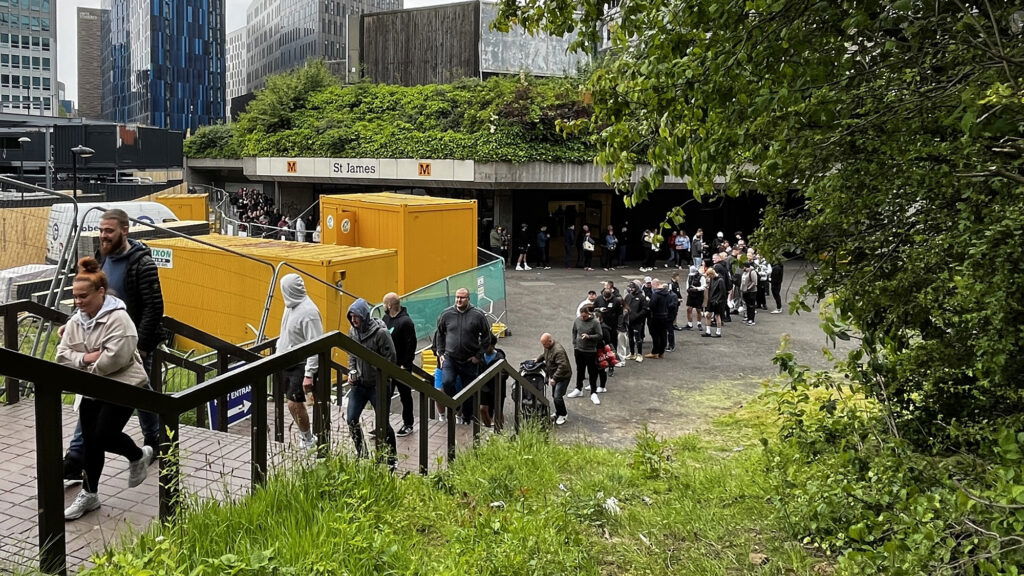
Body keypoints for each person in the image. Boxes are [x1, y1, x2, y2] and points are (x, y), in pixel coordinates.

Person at [63, 209, 164, 487]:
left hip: (133, 344)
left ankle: (151, 440)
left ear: (125, 230)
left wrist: (141, 347)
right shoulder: (101, 257)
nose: (103, 235)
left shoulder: (142, 263)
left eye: (109, 230)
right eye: (101, 230)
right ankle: (76, 456)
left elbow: (154, 307)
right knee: (128, 394)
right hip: (104, 343)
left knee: (137, 392)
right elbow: (92, 298)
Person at [57, 257, 154, 520]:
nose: (78, 302)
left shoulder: (119, 319)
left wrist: (83, 361)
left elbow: (116, 359)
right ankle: (90, 494)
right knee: (90, 443)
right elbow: (62, 354)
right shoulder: (78, 319)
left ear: (100, 292)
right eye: (74, 297)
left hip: (123, 386)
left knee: (103, 435)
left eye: (83, 296)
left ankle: (138, 455)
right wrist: (88, 358)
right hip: (91, 387)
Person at [345, 298, 398, 469]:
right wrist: (352, 371)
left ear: (364, 316)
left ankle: (391, 458)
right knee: (352, 418)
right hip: (359, 384)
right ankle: (362, 452)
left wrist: (381, 376)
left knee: (382, 422)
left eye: (357, 316)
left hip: (378, 385)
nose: (354, 320)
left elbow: (391, 358)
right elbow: (352, 354)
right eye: (351, 316)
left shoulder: (381, 333)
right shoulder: (353, 332)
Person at [277, 274, 324, 450]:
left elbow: (316, 344)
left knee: (293, 403)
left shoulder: (309, 312)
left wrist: (309, 374)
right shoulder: (289, 306)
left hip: (300, 364)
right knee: (290, 402)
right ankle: (307, 436)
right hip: (286, 361)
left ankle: (308, 438)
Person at [436, 287, 493, 424]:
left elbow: (487, 337)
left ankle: (467, 419)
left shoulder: (477, 315)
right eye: (457, 297)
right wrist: (441, 353)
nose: (459, 300)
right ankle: (456, 406)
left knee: (469, 392)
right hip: (450, 358)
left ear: (468, 299)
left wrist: (478, 356)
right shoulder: (446, 314)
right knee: (447, 382)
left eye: (462, 297)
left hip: (469, 360)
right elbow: (439, 334)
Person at [382, 292, 416, 437]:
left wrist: (406, 365)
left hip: (401, 366)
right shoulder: (386, 319)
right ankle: (382, 424)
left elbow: (411, 344)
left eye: (384, 303)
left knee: (405, 395)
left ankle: (408, 423)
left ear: (389, 305)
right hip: (389, 366)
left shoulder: (405, 322)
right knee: (384, 396)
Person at [567, 305, 603, 405]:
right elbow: (574, 331)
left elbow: (600, 335)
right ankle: (578, 388)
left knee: (592, 371)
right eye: (582, 316)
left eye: (585, 316)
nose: (583, 318)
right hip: (579, 349)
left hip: (590, 350)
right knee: (580, 369)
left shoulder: (595, 322)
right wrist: (574, 343)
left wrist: (589, 336)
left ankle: (593, 392)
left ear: (589, 314)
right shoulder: (577, 320)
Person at [537, 333, 572, 426]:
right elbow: (545, 355)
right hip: (555, 375)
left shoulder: (558, 351)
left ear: (549, 341)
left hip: (563, 376)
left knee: (557, 396)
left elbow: (563, 366)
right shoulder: (548, 347)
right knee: (554, 395)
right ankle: (558, 412)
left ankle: (563, 414)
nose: (544, 346)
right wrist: (537, 360)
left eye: (544, 344)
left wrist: (554, 378)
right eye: (543, 344)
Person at [479, 333, 507, 428]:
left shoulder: (500, 357)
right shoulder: (480, 356)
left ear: (492, 345)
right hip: (483, 388)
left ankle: (499, 429)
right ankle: (488, 428)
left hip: (497, 388)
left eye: (487, 345)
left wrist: (491, 377)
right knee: (482, 408)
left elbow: (505, 374)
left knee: (498, 410)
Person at [623, 280, 649, 361]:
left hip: (637, 322)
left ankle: (640, 354)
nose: (631, 289)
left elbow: (645, 309)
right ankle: (632, 353)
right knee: (630, 338)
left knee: (638, 339)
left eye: (633, 288)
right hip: (629, 321)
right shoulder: (628, 296)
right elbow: (624, 306)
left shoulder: (641, 297)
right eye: (630, 288)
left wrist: (637, 316)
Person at [645, 280, 670, 359]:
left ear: (655, 285)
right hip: (665, 315)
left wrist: (648, 304)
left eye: (652, 285)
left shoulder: (656, 294)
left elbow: (652, 305)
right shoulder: (667, 293)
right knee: (663, 334)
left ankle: (655, 352)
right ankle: (661, 352)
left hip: (656, 317)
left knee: (655, 335)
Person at [703, 268, 726, 338]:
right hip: (712, 300)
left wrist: (717, 300)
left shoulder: (720, 280)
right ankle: (708, 331)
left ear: (712, 274)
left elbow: (722, 292)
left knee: (717, 316)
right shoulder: (713, 279)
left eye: (709, 276)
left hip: (717, 301)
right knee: (708, 315)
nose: (709, 278)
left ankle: (718, 332)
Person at [684, 264, 707, 330]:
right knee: (689, 309)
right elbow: (687, 283)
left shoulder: (701, 277)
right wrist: (688, 289)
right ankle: (689, 323)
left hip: (698, 295)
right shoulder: (690, 276)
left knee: (698, 310)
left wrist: (696, 288)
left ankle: (699, 323)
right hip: (691, 295)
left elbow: (704, 286)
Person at [740, 260, 759, 326]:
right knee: (747, 305)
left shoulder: (752, 272)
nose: (742, 269)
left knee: (751, 306)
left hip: (751, 292)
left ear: (746, 267)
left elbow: (754, 282)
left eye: (743, 267)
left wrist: (748, 288)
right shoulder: (744, 272)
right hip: (744, 291)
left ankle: (752, 319)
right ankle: (748, 317)